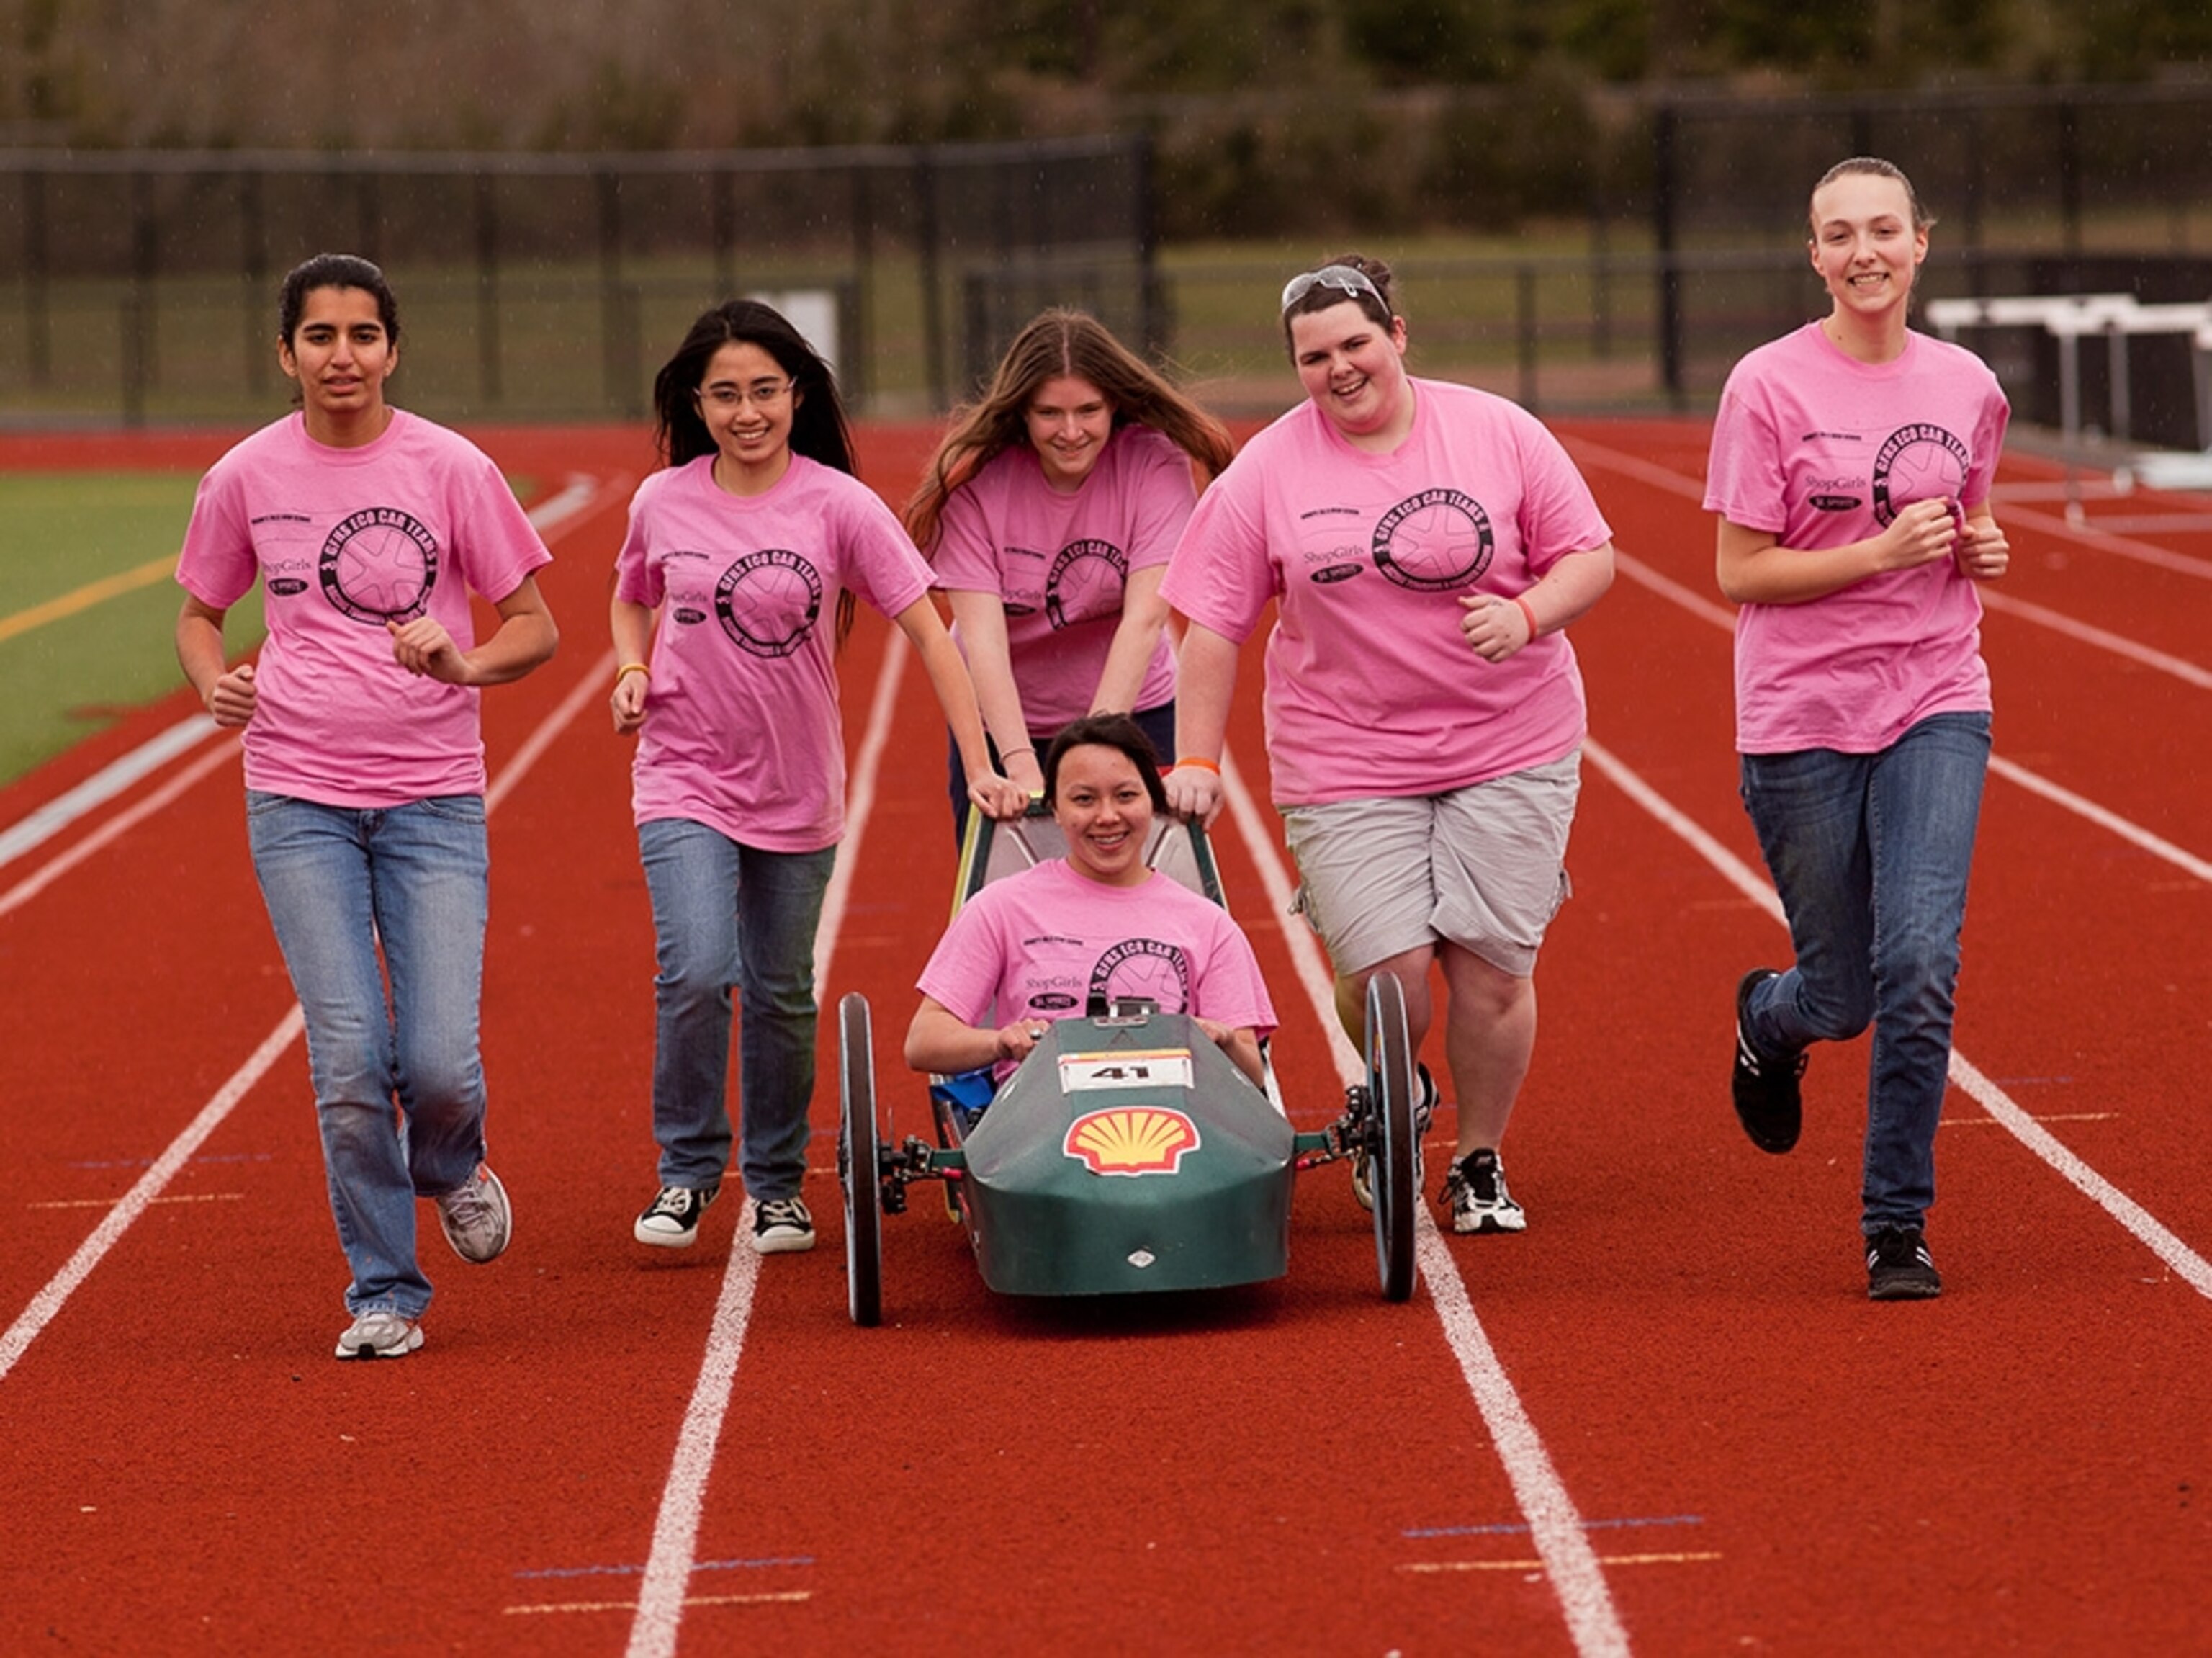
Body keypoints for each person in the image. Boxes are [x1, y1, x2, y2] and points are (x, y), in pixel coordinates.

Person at [1161, 254, 1615, 1234]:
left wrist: (1530, 614)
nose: (1340, 368)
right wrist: (1195, 759)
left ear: (1397, 336)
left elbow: (1591, 554)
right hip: (1346, 753)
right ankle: (1393, 1089)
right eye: (1314, 355)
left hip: (1511, 737)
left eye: (1356, 343)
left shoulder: (1497, 430)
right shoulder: (1269, 472)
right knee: (1390, 977)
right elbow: (1209, 625)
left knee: (1491, 971)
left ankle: (1479, 1158)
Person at [174, 253, 559, 1361]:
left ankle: (448, 1162)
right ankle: (383, 1287)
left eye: (362, 335)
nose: (341, 357)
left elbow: (535, 625)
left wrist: (463, 662)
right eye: (319, 337)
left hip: (434, 797)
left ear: (392, 348)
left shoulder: (452, 466)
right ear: (285, 353)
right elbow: (202, 615)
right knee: (349, 1056)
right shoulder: (244, 476)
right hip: (298, 797)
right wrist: (216, 682)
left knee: (439, 1062)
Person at [612, 299, 1028, 1256]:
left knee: (781, 989)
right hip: (682, 774)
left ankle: (774, 1182)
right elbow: (630, 595)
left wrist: (984, 762)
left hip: (798, 788)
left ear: (796, 394)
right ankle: (685, 1171)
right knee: (697, 970)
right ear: (696, 403)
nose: (746, 411)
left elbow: (930, 627)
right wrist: (632, 667)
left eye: (764, 390)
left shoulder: (838, 503)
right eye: (724, 394)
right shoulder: (662, 499)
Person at [1707, 157, 2011, 1302]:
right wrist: (1873, 557)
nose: (1865, 251)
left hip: (1937, 695)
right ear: (1815, 253)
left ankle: (1897, 1221)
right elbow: (1739, 567)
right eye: (1842, 235)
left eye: (1885, 229)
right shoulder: (1767, 386)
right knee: (1845, 994)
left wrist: (1983, 549)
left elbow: (1970, 512)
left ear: (1921, 242)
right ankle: (1770, 1020)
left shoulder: (1968, 381)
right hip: (1801, 716)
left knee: (1920, 962)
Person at [903, 309, 1235, 841]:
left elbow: (1144, 620)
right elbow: (984, 641)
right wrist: (1025, 771)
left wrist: (1093, 751)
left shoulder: (1154, 464)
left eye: (1089, 410)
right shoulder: (974, 481)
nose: (1072, 431)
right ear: (1022, 414)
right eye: (1050, 414)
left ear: (1114, 406)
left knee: (1134, 895)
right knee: (1008, 904)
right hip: (1004, 721)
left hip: (1135, 714)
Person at [904, 714, 1274, 1089]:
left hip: (1177, 1118)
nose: (1108, 816)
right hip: (1042, 1119)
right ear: (1055, 810)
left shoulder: (1209, 924)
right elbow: (923, 1040)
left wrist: (1222, 1038)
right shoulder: (1000, 907)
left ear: (1153, 801)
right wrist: (999, 1041)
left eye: (1126, 795)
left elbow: (1253, 1072)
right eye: (1084, 799)